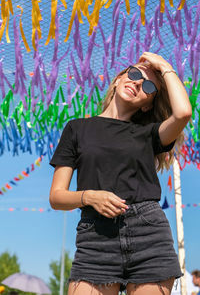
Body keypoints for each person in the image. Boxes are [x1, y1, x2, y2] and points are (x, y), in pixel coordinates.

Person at [49, 52, 192, 295]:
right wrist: (90, 197)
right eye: (134, 74)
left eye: (148, 86)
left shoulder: (149, 134)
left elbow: (182, 114)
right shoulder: (77, 128)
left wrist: (165, 67)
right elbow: (56, 197)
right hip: (95, 238)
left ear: (147, 104)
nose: (137, 82)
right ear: (118, 79)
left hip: (149, 235)